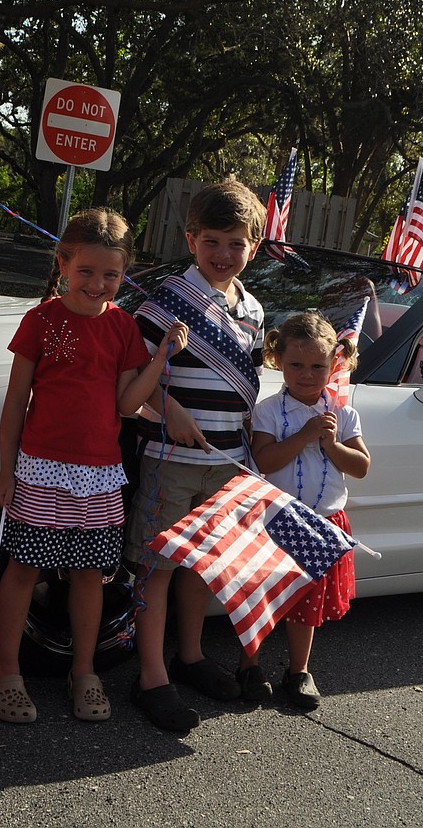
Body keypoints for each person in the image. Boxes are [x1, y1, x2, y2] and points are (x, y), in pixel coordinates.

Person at [0, 207, 188, 725]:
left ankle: (84, 670)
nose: (98, 285)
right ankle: (6, 671)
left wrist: (160, 358)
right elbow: (15, 403)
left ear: (124, 275)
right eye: (86, 272)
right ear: (62, 265)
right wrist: (6, 471)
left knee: (89, 575)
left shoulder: (122, 327)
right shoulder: (40, 321)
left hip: (99, 475)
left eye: (111, 275)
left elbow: (127, 403)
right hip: (39, 471)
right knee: (23, 570)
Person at [125, 178, 269, 734]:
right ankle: (152, 676)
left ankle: (190, 656)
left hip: (226, 462)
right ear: (191, 240)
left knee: (201, 567)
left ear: (254, 246)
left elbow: (247, 389)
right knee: (157, 568)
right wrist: (168, 408)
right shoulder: (165, 301)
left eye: (236, 243)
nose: (223, 254)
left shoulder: (254, 309)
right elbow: (131, 383)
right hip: (170, 460)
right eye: (212, 241)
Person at [251, 311, 371, 710]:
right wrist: (304, 435)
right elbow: (264, 459)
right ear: (277, 360)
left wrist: (331, 444)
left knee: (307, 603)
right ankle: (248, 665)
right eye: (296, 365)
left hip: (322, 522)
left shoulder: (343, 413)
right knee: (265, 595)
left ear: (334, 364)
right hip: (278, 519)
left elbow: (361, 467)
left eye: (317, 366)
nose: (306, 375)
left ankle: (298, 671)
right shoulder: (269, 410)